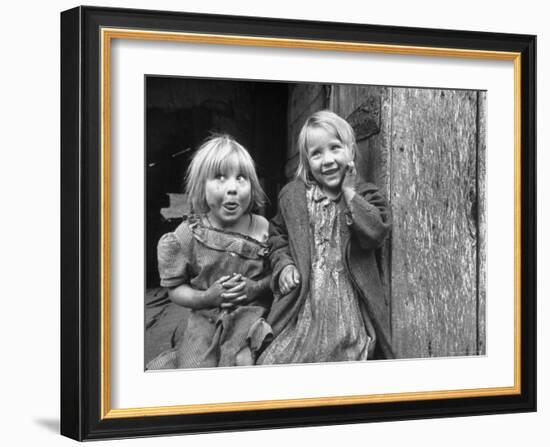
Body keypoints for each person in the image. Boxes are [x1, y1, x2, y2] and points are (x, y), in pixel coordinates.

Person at [257, 110, 393, 365]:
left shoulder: (366, 195)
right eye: (316, 153)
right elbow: (276, 236)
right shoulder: (294, 196)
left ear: (351, 151)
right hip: (304, 301)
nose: (327, 160)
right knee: (277, 359)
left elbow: (374, 233)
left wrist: (349, 193)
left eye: (335, 148)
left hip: (346, 304)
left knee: (342, 356)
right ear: (307, 161)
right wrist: (284, 264)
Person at [147, 134, 273, 369]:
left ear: (252, 186)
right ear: (200, 186)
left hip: (253, 317)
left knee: (248, 361)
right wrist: (205, 297)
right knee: (195, 367)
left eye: (241, 178)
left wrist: (255, 287)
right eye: (220, 178)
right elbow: (174, 289)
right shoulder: (189, 234)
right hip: (205, 318)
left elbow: (275, 275)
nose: (232, 188)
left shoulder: (264, 228)